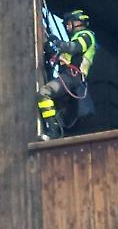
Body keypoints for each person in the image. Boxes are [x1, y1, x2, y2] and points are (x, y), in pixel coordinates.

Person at [36, 9, 97, 140]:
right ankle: (57, 129)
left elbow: (74, 47)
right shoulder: (75, 38)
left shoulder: (86, 35)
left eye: (69, 23)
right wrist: (52, 51)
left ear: (77, 23)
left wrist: (58, 43)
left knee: (44, 93)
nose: (67, 26)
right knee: (59, 107)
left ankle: (53, 130)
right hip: (69, 76)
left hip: (73, 76)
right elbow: (63, 57)